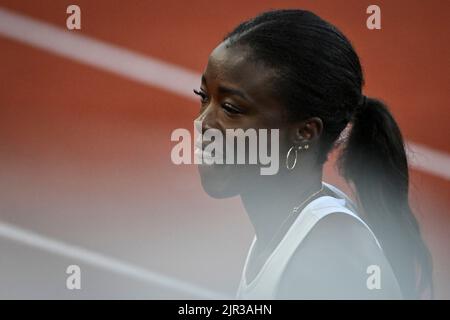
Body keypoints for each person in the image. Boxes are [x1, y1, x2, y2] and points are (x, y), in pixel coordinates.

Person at [193, 9, 432, 299]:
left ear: (305, 132)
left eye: (231, 108)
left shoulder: (325, 262)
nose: (203, 124)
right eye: (203, 97)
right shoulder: (289, 225)